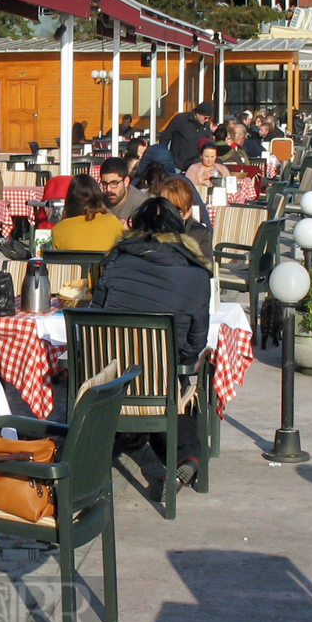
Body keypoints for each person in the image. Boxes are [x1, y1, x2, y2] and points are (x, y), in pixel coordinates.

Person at [91, 197, 210, 494]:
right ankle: (188, 456)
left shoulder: (114, 265)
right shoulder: (196, 275)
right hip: (160, 384)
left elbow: (95, 317)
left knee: (156, 376)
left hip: (112, 382)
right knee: (177, 381)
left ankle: (133, 438)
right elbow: (195, 345)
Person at [50, 174, 124, 252]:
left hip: (73, 263)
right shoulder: (113, 223)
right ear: (98, 197)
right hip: (104, 264)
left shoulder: (58, 230)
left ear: (70, 200)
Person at [150, 177, 211, 260]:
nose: (168, 212)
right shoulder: (147, 230)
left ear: (188, 213)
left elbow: (206, 269)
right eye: (163, 206)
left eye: (176, 209)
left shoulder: (199, 235)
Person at [161, 101, 215, 172]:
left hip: (196, 167)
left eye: (209, 118)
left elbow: (208, 144)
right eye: (205, 118)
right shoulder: (181, 119)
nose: (207, 120)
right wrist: (164, 156)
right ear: (198, 113)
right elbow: (165, 136)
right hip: (178, 165)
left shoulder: (206, 126)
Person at [99, 157, 147, 224]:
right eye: (104, 184)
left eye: (114, 183)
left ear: (126, 182)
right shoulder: (98, 202)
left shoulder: (141, 204)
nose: (108, 189)